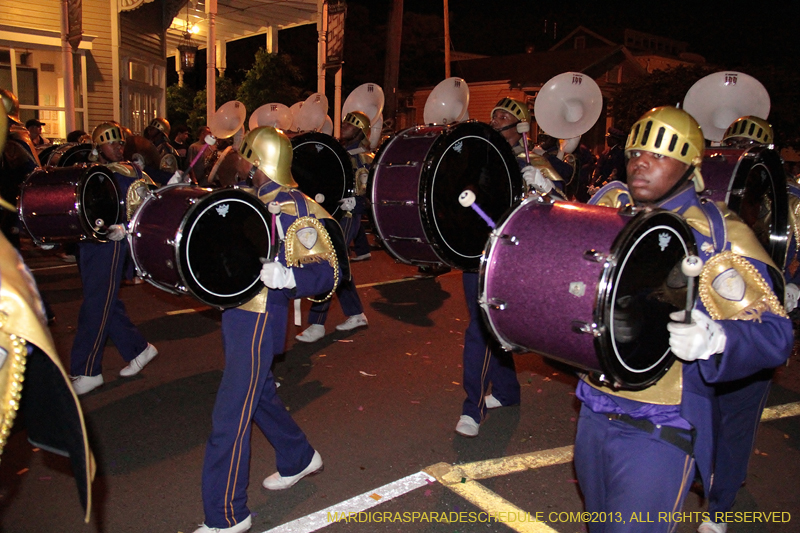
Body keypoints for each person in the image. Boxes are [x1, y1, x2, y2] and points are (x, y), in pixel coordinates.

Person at [574, 106, 793, 532]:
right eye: (637, 151)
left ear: (690, 165)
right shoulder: (612, 207)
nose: (641, 162)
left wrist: (719, 340)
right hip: (593, 409)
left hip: (659, 427)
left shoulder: (713, 233)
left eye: (659, 155)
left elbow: (775, 334)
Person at [193, 127, 342, 533]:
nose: (237, 162)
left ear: (256, 160)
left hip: (259, 318)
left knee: (230, 415)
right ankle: (298, 456)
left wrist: (288, 278)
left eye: (242, 157)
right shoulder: (254, 198)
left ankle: (226, 515)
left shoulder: (292, 205)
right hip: (240, 315)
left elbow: (326, 272)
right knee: (257, 397)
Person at [695, 115, 783, 533]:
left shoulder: (789, 200)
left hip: (758, 314)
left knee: (738, 418)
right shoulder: (702, 205)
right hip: (710, 311)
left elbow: (785, 244)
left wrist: (792, 284)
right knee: (702, 412)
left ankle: (721, 502)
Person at [68, 122, 158, 395]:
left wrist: (126, 228)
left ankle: (87, 370)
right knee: (104, 300)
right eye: (112, 143)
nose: (119, 147)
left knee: (96, 306)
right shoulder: (92, 170)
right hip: (90, 242)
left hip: (111, 244)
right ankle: (138, 349)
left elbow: (146, 203)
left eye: (120, 143)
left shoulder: (130, 170)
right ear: (98, 147)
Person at [295, 111, 370, 343]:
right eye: (345, 121)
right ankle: (357, 314)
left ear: (360, 130)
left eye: (351, 123)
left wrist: (356, 202)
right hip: (332, 214)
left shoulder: (363, 158)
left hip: (347, 217)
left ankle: (317, 324)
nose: (344, 125)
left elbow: (371, 195)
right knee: (339, 266)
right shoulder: (339, 152)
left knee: (329, 263)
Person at [589, 126, 627, 192]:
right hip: (604, 187)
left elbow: (614, 175)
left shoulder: (620, 154)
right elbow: (599, 169)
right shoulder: (606, 153)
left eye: (608, 138)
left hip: (615, 188)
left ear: (614, 140)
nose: (607, 140)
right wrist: (593, 184)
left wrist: (600, 187)